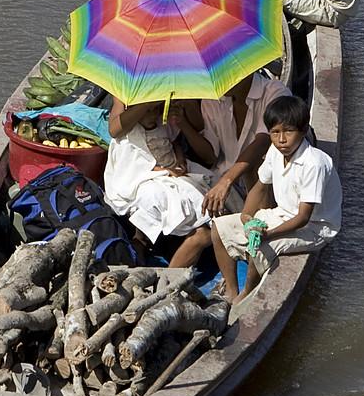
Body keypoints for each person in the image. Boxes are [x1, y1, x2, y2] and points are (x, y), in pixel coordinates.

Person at [175, 94, 340, 300]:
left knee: (258, 247)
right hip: (283, 214)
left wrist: (267, 234)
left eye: (288, 132)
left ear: (304, 130)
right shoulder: (275, 151)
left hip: (313, 228)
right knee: (219, 227)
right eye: (275, 132)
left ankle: (246, 293)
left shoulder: (314, 164)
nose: (281, 140)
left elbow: (303, 217)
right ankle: (232, 290)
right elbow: (261, 186)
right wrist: (246, 216)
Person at [103, 97, 217, 247]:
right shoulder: (131, 134)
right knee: (157, 195)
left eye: (155, 110)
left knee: (198, 186)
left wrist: (180, 159)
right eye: (148, 111)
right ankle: (143, 238)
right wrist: (165, 171)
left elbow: (174, 141)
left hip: (170, 165)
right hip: (144, 174)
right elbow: (133, 164)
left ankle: (197, 226)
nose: (152, 115)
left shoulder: (162, 125)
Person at [188, 67, 288, 213]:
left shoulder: (274, 91)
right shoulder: (211, 100)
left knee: (255, 167)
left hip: (264, 185)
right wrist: (182, 123)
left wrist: (227, 180)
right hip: (221, 183)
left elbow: (264, 140)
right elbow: (210, 155)